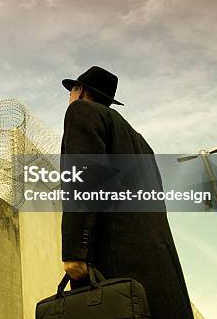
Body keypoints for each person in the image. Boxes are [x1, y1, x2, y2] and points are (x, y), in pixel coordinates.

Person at [60, 66, 194, 319]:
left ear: (80, 91)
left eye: (72, 90)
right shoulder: (140, 141)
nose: (70, 97)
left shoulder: (81, 111)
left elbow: (84, 176)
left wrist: (75, 251)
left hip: (114, 264)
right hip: (159, 266)